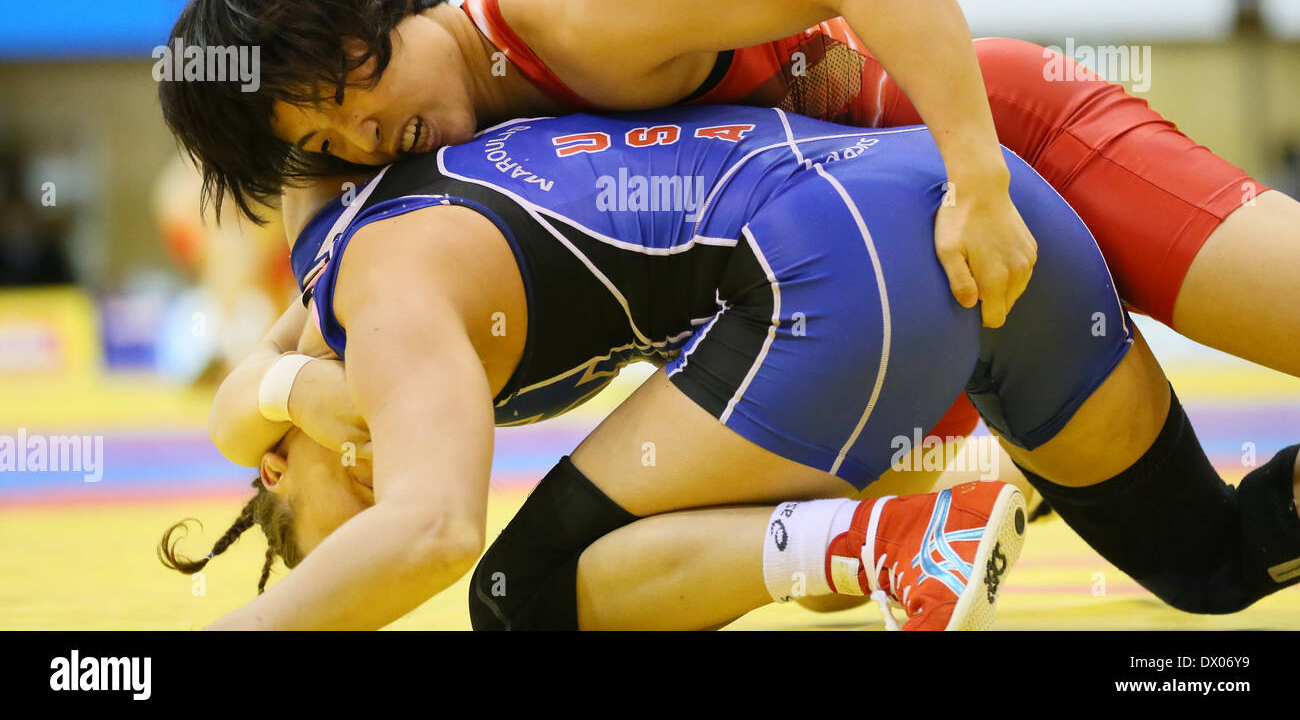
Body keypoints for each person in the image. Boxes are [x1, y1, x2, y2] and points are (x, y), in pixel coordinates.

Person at [160, 107, 1300, 630]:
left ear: (274, 468)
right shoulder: (357, 266)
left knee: (517, 597)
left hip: (857, 254)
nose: (385, 461)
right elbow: (297, 382)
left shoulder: (375, 293)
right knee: (1213, 562)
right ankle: (903, 525)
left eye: (343, 489)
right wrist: (263, 396)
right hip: (974, 199)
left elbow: (432, 529)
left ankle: (885, 546)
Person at [157, 0, 1300, 400]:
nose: (364, 135)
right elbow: (303, 323)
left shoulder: (576, 8)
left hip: (1004, 136)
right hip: (902, 265)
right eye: (325, 140)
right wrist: (275, 395)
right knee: (1197, 560)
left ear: (378, 1)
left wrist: (979, 178)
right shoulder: (431, 160)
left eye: (349, 86)